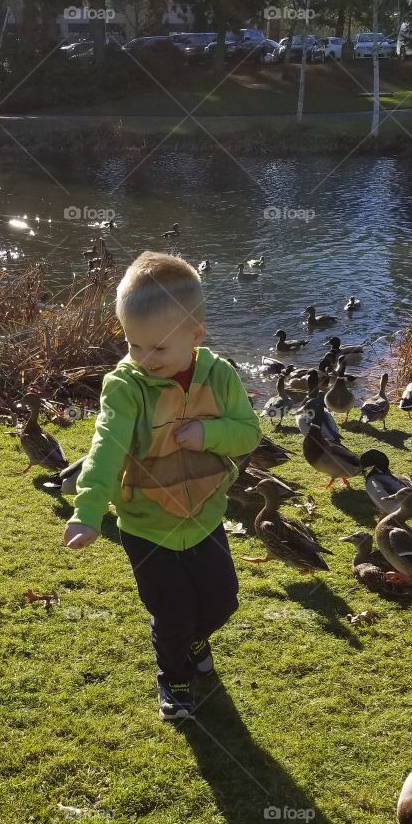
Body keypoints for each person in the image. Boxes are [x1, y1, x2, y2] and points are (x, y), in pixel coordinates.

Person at [63, 250, 261, 721]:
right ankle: (173, 681)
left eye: (158, 348)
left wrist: (207, 434)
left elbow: (249, 433)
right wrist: (88, 512)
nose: (145, 359)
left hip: (206, 517)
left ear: (196, 336)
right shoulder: (125, 387)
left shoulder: (220, 376)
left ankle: (193, 641)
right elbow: (106, 448)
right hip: (147, 526)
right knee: (170, 614)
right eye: (135, 345)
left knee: (222, 600)